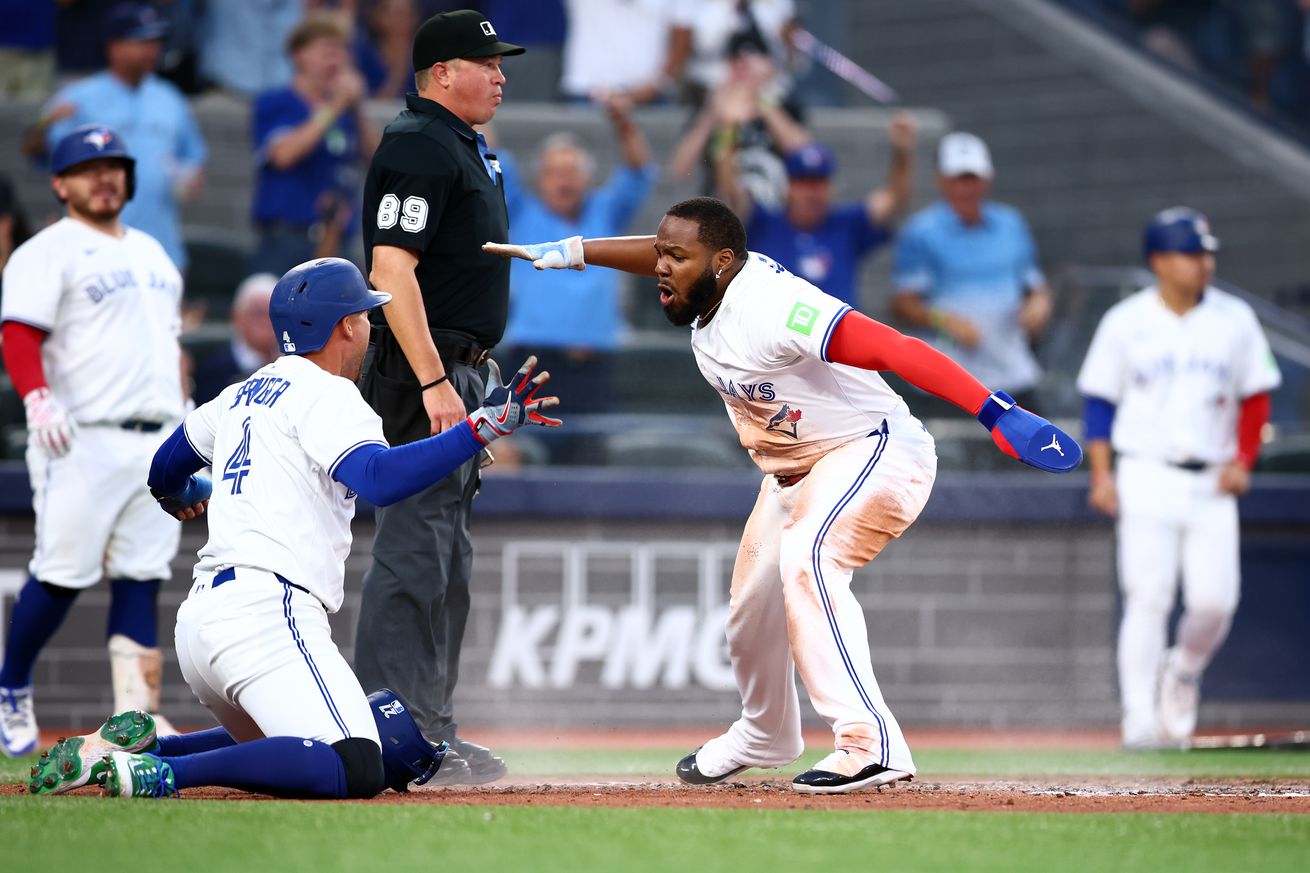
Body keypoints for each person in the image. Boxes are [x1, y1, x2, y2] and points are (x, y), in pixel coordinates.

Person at [484, 196, 1082, 794]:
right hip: (793, 471)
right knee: (751, 610)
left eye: (677, 257)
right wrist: (579, 252)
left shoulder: (776, 307)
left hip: (871, 450)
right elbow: (664, 253)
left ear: (722, 262)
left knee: (810, 559)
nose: (661, 266)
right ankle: (766, 731)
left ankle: (870, 743)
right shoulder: (708, 280)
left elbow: (894, 348)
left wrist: (992, 408)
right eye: (660, 253)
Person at [24, 257, 560, 799]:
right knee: (356, 764)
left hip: (201, 627)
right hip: (267, 614)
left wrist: (183, 494)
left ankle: (140, 751)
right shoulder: (330, 393)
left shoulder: (240, 392)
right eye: (365, 317)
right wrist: (480, 427)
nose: (371, 329)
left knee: (303, 747)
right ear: (346, 326)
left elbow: (164, 466)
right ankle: (158, 775)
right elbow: (379, 479)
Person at [354, 8, 525, 786]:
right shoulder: (421, 141)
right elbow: (392, 271)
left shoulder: (457, 143)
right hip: (424, 369)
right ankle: (387, 729)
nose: (499, 74)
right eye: (484, 62)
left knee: (446, 559)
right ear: (440, 73)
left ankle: (429, 730)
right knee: (415, 550)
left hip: (460, 366)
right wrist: (432, 380)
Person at [0, 125, 188, 757]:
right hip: (81, 437)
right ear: (60, 183)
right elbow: (20, 334)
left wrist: (185, 414)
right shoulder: (47, 250)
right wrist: (36, 396)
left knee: (141, 574)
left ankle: (134, 719)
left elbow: (169, 344)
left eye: (114, 166)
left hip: (156, 436)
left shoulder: (155, 253)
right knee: (60, 573)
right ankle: (13, 686)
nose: (104, 177)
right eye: (87, 168)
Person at [1076, 207, 1281, 750]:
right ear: (1160, 261)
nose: (1203, 263)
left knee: (1216, 600)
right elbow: (1099, 403)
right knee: (1149, 596)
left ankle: (1183, 671)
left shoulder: (1234, 317)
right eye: (1192, 254)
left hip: (1212, 478)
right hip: (1145, 470)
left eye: (1206, 253)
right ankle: (1139, 718)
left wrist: (1243, 459)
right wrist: (1101, 474)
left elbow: (1256, 396)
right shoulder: (1126, 321)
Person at [494, 97, 658, 411]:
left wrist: (623, 123)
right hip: (532, 360)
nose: (563, 180)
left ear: (586, 178)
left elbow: (638, 172)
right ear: (541, 179)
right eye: (554, 172)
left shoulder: (605, 213)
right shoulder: (522, 212)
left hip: (593, 365)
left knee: (589, 452)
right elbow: (491, 155)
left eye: (571, 171)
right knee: (532, 449)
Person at [31, 3, 207, 272]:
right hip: (93, 250)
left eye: (156, 41)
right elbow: (38, 153)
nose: (152, 49)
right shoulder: (79, 97)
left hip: (160, 247)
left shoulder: (170, 97)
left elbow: (193, 157)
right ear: (114, 45)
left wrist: (189, 178)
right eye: (142, 40)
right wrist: (44, 125)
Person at [891, 132, 1052, 409]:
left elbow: (1034, 287)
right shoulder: (921, 232)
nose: (966, 188)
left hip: (1012, 375)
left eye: (972, 178)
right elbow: (902, 305)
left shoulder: (1011, 224)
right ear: (942, 180)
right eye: (958, 178)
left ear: (987, 180)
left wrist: (1039, 304)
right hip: (948, 381)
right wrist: (945, 320)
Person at [715, 115, 916, 309]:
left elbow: (894, 199)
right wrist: (728, 129)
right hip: (773, 339)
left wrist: (902, 153)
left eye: (819, 184)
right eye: (804, 183)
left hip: (834, 339)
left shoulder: (846, 225)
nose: (812, 193)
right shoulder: (761, 222)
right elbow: (730, 188)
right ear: (787, 188)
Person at [250, 12, 380, 276]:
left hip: (336, 239)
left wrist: (357, 109)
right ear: (299, 55)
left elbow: (376, 159)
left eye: (341, 51)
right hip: (287, 238)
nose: (335, 59)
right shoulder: (276, 102)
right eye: (326, 50)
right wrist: (334, 106)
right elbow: (283, 155)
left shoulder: (346, 111)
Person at [191, 273, 280, 406]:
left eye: (273, 315)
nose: (267, 322)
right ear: (237, 316)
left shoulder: (291, 366)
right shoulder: (213, 370)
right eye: (259, 313)